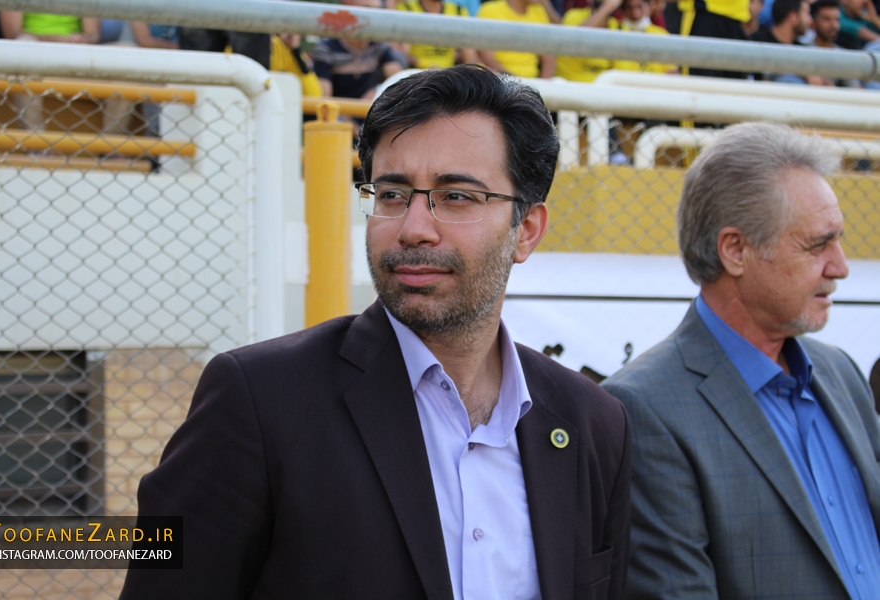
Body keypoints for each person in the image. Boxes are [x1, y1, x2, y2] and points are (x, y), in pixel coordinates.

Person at [121, 64, 632, 600]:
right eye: (391, 194)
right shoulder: (257, 401)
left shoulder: (593, 423)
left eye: (456, 196)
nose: (413, 228)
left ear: (525, 230)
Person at [603, 122, 880, 599]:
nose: (840, 267)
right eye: (818, 244)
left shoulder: (840, 373)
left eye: (838, 241)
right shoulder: (644, 410)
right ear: (735, 250)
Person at [477, 0, 556, 78]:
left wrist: (543, 83)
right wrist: (514, 81)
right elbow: (488, 59)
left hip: (532, 81)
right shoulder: (489, 10)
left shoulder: (539, 11)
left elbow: (548, 59)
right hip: (500, 79)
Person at [395, 0, 479, 68]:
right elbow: (404, 53)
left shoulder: (458, 10)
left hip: (450, 74)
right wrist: (425, 66)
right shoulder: (406, 10)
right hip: (415, 73)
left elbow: (470, 57)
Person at [749, 0, 812, 83]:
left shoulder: (802, 50)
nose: (810, 20)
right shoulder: (757, 41)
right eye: (806, 13)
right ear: (793, 17)